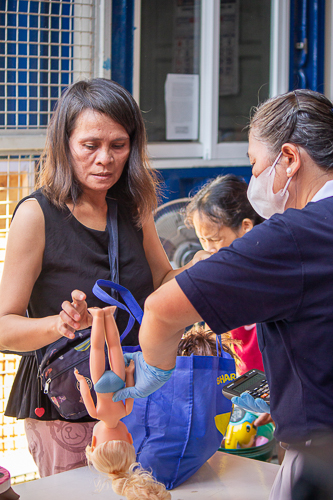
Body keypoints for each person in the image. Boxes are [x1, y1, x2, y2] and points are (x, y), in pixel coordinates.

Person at [113, 89, 333, 500]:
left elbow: (161, 310)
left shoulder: (294, 236)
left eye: (254, 164)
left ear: (288, 159)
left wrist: (150, 378)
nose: (253, 180)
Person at [0, 78, 179, 477]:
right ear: (65, 144)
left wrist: (204, 269)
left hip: (138, 397)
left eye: (119, 145)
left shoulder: (133, 205)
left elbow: (163, 278)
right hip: (69, 410)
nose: (105, 159)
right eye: (90, 145)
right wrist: (58, 325)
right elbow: (3, 327)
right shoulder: (37, 215)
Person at [74, 306, 170, 500]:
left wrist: (128, 374)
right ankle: (99, 316)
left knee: (115, 346)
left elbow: (131, 391)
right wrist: (82, 381)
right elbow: (86, 394)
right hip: (100, 382)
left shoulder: (124, 411)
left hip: (118, 380)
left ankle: (108, 314)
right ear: (93, 443)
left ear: (129, 438)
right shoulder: (96, 414)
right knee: (100, 347)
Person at [184, 174, 264, 375]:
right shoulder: (220, 266)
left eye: (215, 239)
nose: (208, 248)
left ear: (246, 226)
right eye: (202, 240)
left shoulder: (263, 266)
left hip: (268, 369)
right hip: (240, 366)